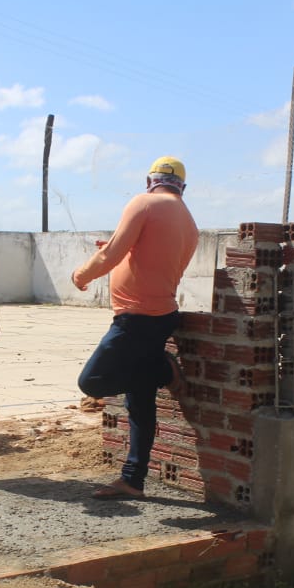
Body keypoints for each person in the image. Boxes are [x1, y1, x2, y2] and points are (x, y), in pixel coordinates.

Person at [72, 156, 198, 500]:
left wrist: (81, 275)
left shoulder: (143, 202)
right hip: (162, 316)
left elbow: (111, 253)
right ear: (182, 188)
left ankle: (163, 370)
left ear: (148, 180)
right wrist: (123, 255)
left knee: (92, 381)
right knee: (139, 404)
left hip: (135, 318)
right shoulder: (189, 222)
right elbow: (155, 263)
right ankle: (133, 479)